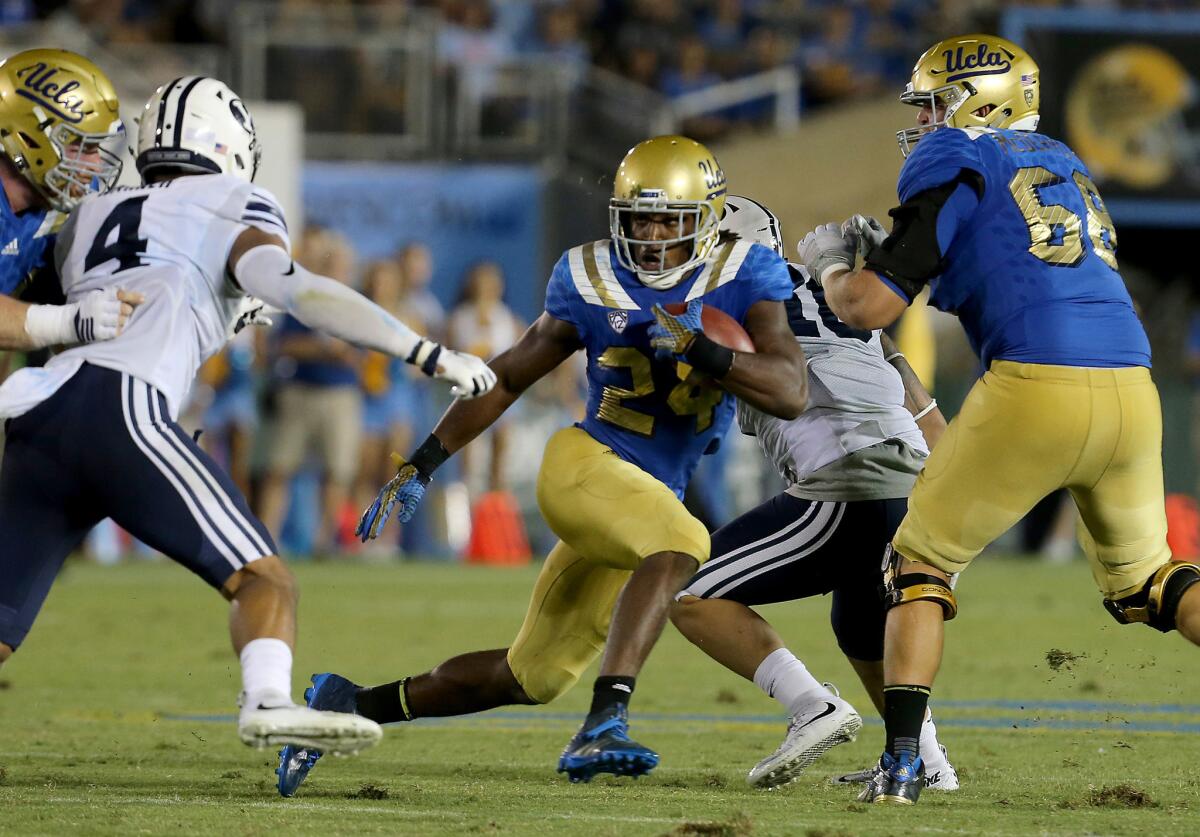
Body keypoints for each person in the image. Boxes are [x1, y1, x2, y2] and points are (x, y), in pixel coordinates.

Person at [276, 134, 808, 796]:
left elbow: (791, 390)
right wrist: (424, 461)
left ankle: (345, 703)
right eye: (635, 217)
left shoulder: (748, 274)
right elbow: (506, 377)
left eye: (664, 220)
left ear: (706, 219)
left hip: (644, 504)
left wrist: (705, 350)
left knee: (532, 674)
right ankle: (605, 721)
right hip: (587, 464)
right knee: (685, 542)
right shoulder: (589, 274)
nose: (646, 234)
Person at [0, 76, 495, 760]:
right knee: (266, 578)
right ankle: (268, 700)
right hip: (125, 408)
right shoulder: (234, 200)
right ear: (230, 144)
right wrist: (424, 349)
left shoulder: (86, 215)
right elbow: (302, 291)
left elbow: (44, 323)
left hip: (39, 416)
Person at [797, 34, 1200, 805]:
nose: (922, 120)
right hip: (1130, 383)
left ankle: (904, 765)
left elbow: (868, 309)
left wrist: (832, 265)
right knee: (1151, 581)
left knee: (916, 564)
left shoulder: (957, 157)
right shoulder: (1063, 161)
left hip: (1039, 381)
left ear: (976, 101)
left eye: (933, 102)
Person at [670, 195, 957, 791]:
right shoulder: (831, 298)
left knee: (688, 590)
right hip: (911, 480)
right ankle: (926, 759)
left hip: (850, 477)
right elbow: (920, 409)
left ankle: (811, 706)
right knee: (857, 623)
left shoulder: (734, 304)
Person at [0, 48, 140, 352]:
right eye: (81, 146)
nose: (94, 166)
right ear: (27, 137)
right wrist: (68, 321)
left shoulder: (56, 216)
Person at [258, 227, 364, 555]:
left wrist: (335, 352)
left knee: (337, 470)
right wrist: (324, 351)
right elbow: (283, 346)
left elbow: (362, 352)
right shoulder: (301, 298)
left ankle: (324, 542)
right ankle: (265, 540)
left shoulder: (355, 302)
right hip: (299, 390)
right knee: (279, 467)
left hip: (340, 394)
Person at [446, 260, 522, 497]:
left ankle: (495, 513)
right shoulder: (459, 318)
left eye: (492, 281)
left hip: (502, 393)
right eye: (481, 281)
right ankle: (468, 513)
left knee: (500, 460)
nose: (487, 287)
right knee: (468, 462)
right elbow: (452, 355)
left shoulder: (509, 318)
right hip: (471, 394)